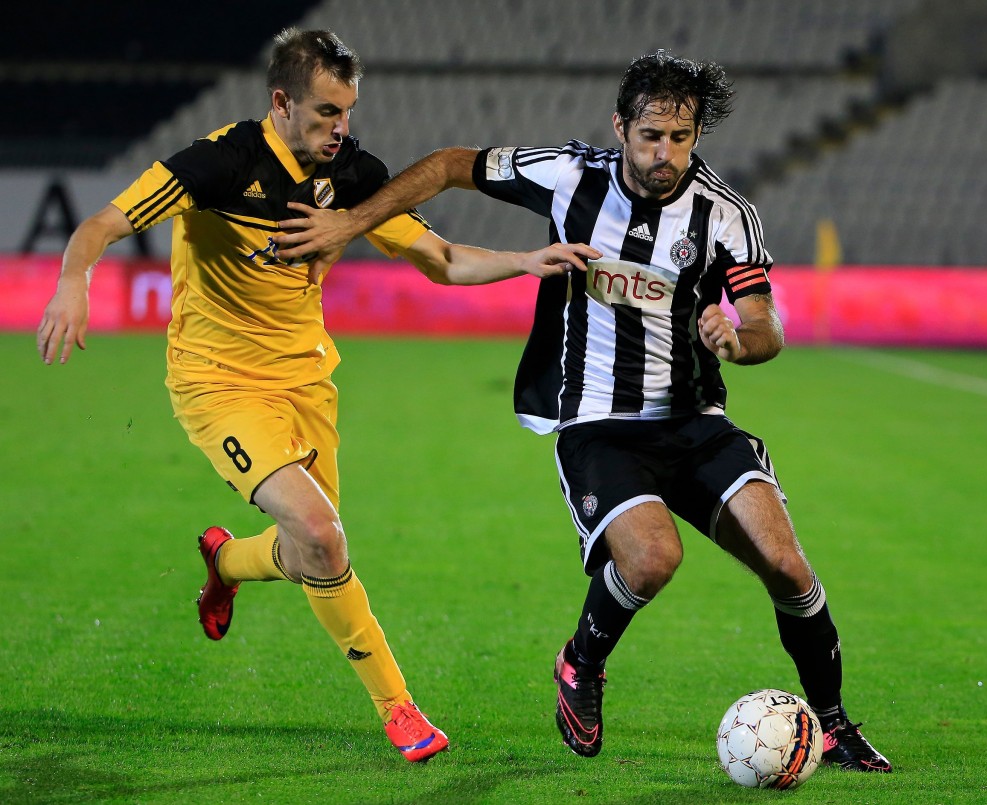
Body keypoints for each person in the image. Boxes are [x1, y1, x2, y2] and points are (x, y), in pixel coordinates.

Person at [271, 50, 893, 773]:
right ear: (620, 127)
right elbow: (446, 165)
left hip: (696, 422)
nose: (665, 155)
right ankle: (582, 663)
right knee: (653, 558)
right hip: (598, 425)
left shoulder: (725, 215)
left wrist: (739, 338)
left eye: (681, 138)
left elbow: (765, 325)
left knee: (788, 567)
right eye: (651, 136)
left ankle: (834, 725)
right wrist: (349, 223)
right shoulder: (569, 175)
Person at [35, 27, 597, 764]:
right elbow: (102, 223)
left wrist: (526, 260)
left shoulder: (352, 177)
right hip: (217, 381)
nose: (341, 128)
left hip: (305, 380)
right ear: (282, 102)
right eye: (327, 111)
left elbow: (442, 258)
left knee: (310, 556)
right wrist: (73, 281)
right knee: (324, 535)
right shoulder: (220, 162)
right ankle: (399, 708)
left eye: (348, 111)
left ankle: (226, 562)